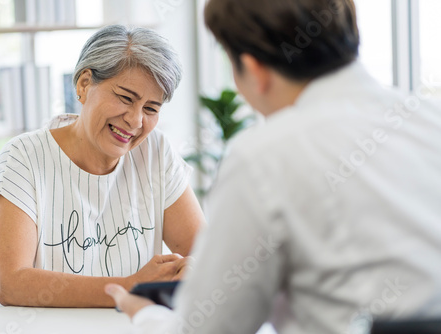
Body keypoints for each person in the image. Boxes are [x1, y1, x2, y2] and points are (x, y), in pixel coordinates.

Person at [106, 0, 441, 333]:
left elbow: (207, 328)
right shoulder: (430, 120)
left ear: (254, 70)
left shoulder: (264, 156)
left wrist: (146, 315)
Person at [0, 25, 205, 309]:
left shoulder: (156, 152)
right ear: (84, 84)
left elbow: (207, 256)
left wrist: (195, 270)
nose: (135, 121)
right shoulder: (23, 156)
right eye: (125, 98)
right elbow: (9, 283)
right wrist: (129, 288)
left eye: (151, 108)